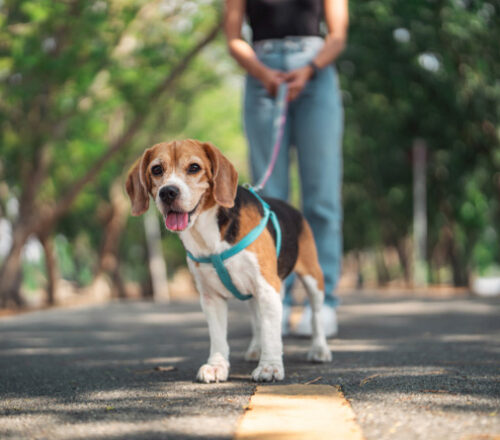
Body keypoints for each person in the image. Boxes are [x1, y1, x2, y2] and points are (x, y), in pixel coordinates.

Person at [224, 0, 348, 337]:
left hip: (316, 72)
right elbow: (234, 37)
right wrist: (263, 73)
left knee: (321, 197)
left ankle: (323, 302)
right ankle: (273, 299)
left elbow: (337, 36)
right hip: (261, 73)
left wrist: (309, 69)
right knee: (268, 202)